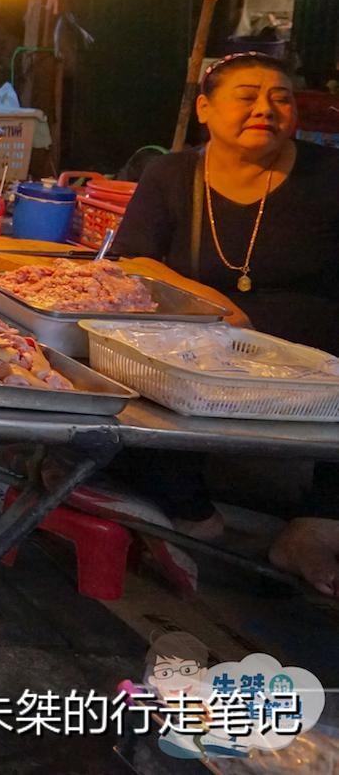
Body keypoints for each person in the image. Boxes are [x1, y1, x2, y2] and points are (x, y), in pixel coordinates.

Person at [112, 52, 339, 593]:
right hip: (200, 359)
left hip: (317, 360)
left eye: (280, 97)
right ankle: (191, 514)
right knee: (131, 390)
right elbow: (133, 262)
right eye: (247, 96)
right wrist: (214, 304)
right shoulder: (172, 174)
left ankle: (316, 527)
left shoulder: (329, 176)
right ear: (206, 110)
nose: (266, 107)